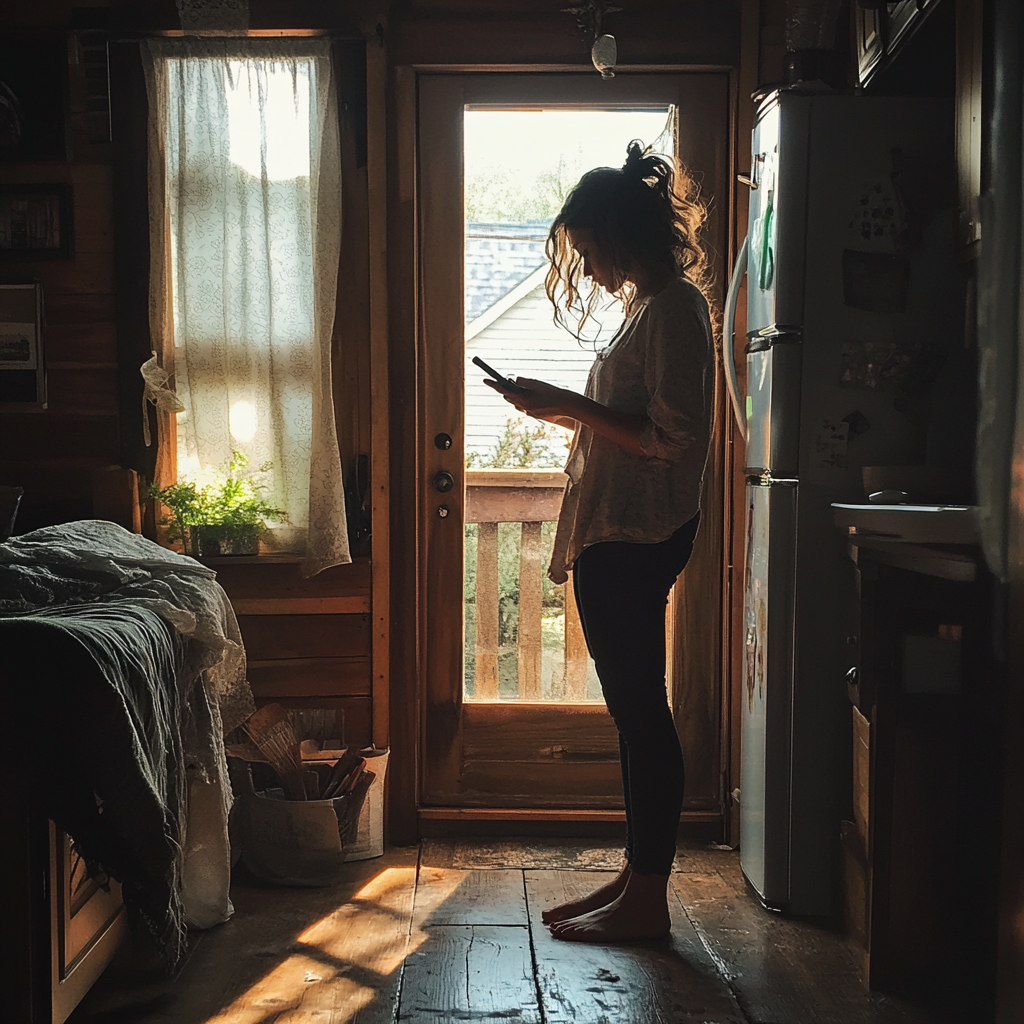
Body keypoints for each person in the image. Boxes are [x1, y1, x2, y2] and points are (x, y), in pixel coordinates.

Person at [483, 140, 715, 943]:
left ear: (621, 237)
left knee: (642, 716)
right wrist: (559, 410)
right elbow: (635, 430)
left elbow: (674, 438)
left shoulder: (677, 309)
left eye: (589, 252)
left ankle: (647, 901)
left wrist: (569, 405)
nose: (584, 270)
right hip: (620, 533)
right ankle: (637, 875)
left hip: (637, 535)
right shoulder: (652, 310)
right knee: (633, 714)